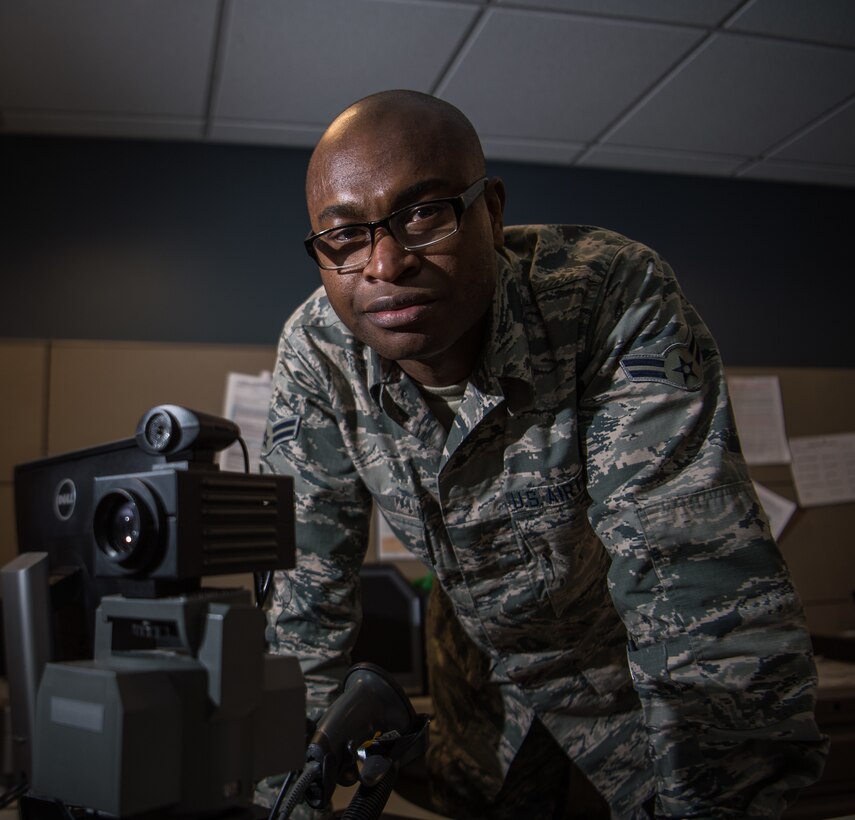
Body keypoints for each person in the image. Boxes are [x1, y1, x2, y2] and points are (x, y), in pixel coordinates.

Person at [258, 89, 827, 818]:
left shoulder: (605, 294)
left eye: (424, 213)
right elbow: (304, 602)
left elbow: (688, 565)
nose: (385, 263)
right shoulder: (317, 351)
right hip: (478, 676)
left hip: (633, 667)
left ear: (490, 210)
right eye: (344, 236)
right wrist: (280, 798)